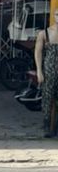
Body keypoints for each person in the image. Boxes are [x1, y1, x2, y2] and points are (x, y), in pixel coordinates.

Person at [34, 8, 58, 138]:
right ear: (54, 16)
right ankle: (47, 127)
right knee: (48, 98)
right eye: (57, 14)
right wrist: (39, 71)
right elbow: (38, 52)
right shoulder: (45, 33)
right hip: (49, 70)